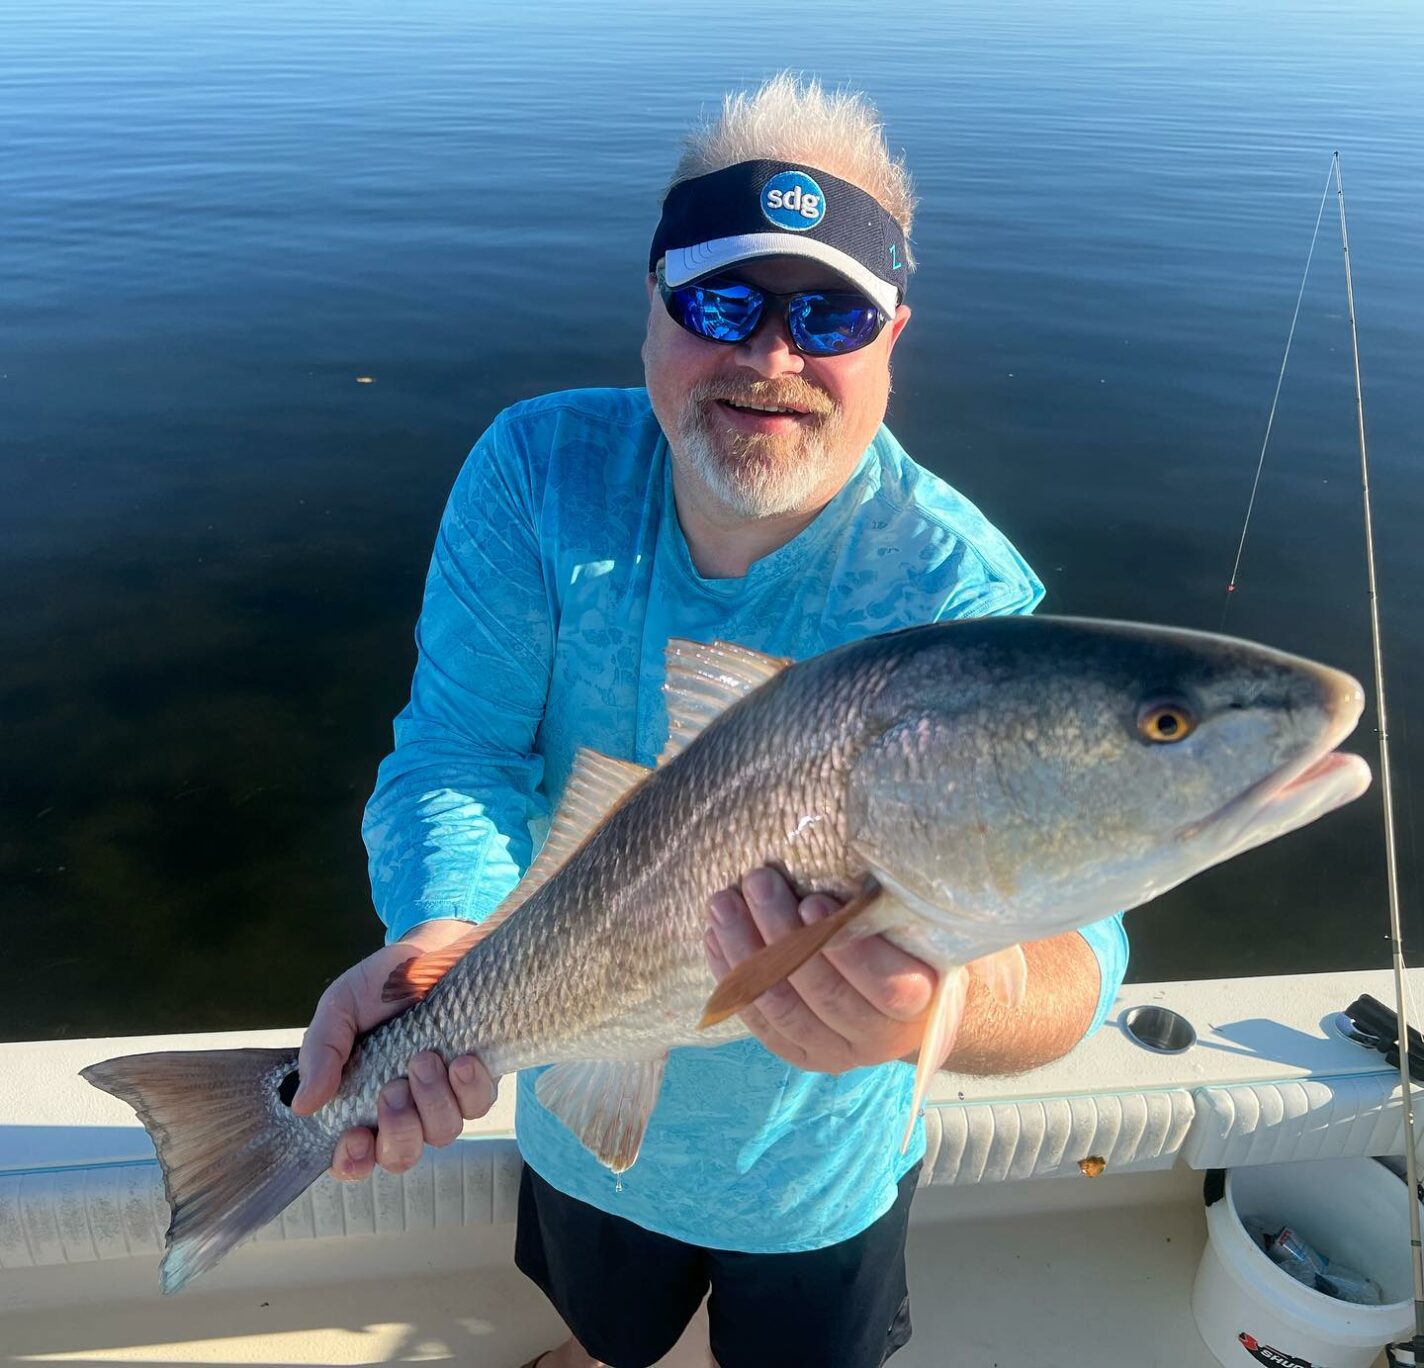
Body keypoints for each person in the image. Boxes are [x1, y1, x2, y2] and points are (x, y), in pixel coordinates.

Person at [292, 74, 1129, 1368]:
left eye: (830, 312)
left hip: (815, 1177)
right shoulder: (539, 476)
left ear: (892, 336)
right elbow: (461, 753)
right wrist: (445, 938)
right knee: (599, 1330)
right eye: (723, 299)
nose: (771, 357)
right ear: (653, 304)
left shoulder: (956, 601)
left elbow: (1082, 955)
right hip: (574, 1089)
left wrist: (943, 1013)